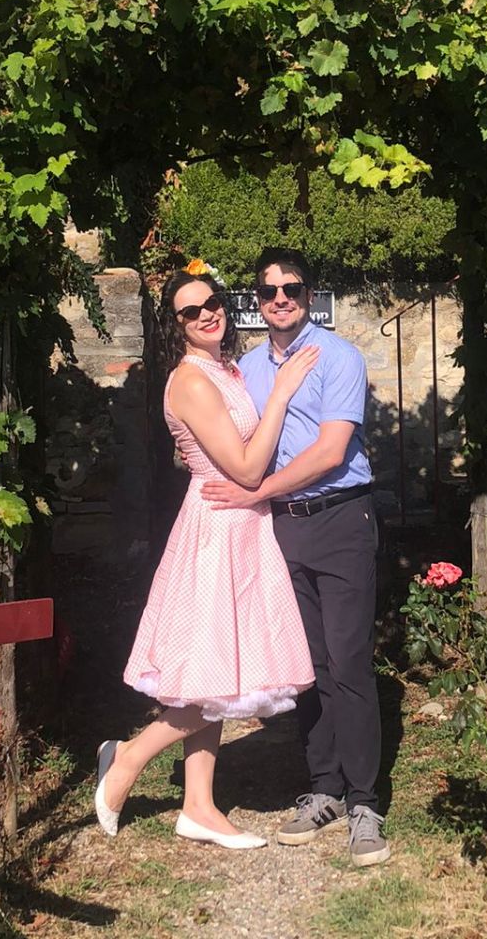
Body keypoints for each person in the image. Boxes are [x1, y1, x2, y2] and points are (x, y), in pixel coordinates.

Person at [95, 266, 319, 850]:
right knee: (215, 673)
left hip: (242, 525)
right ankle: (129, 757)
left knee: (215, 669)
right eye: (191, 312)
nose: (206, 315)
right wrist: (285, 394)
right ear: (177, 326)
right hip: (218, 528)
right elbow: (244, 469)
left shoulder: (225, 370)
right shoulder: (192, 381)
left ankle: (197, 806)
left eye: (212, 302)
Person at [200, 247, 389, 867]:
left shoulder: (340, 357)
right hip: (283, 528)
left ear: (310, 295)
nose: (280, 299)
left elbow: (332, 451)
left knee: (350, 658)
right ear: (255, 300)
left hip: (340, 518)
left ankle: (365, 802)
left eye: (293, 289)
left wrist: (257, 489)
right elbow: (241, 445)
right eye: (268, 290)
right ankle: (323, 788)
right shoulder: (249, 369)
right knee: (306, 663)